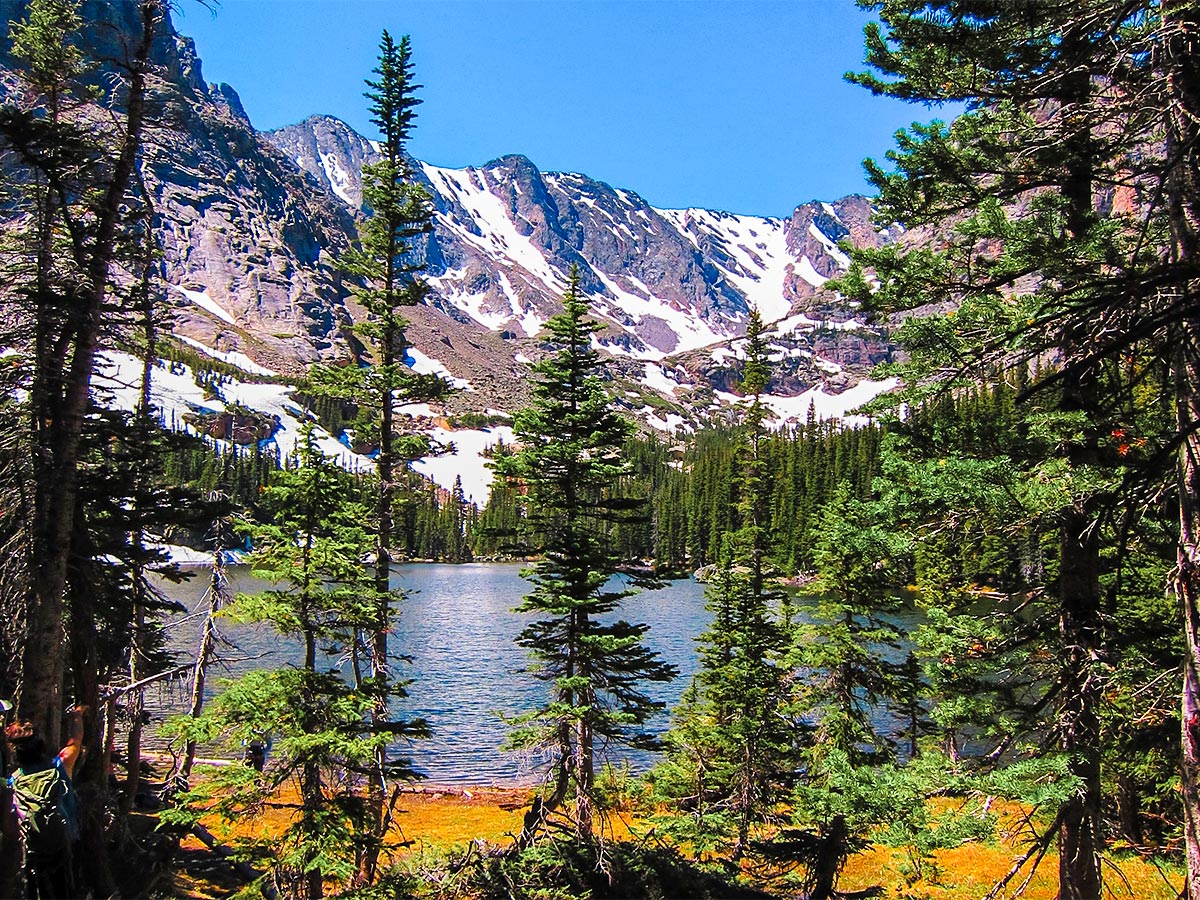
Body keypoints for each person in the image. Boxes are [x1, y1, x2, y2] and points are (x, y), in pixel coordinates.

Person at [5, 706, 85, 899]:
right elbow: (76, 741)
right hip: (64, 840)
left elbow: (9, 826)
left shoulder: (13, 782)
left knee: (35, 890)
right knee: (65, 889)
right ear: (41, 745)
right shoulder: (59, 767)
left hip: (33, 849)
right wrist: (77, 716)